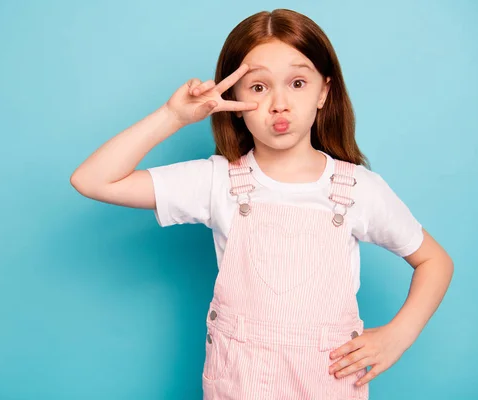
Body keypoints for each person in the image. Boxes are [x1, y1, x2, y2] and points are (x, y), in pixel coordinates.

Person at [70, 8, 454, 399]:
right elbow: (92, 179)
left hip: (326, 385)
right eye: (258, 87)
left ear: (325, 91)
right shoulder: (216, 181)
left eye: (298, 82)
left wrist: (399, 335)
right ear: (231, 96)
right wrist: (173, 116)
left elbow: (435, 261)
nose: (279, 103)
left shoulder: (358, 189)